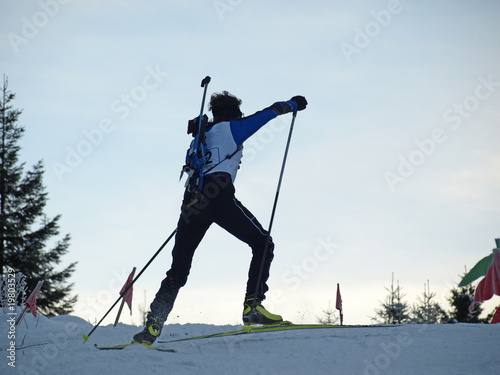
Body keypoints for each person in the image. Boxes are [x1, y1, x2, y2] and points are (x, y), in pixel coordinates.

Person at [133, 91, 307, 345]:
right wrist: (293, 104)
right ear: (234, 112)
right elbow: (269, 113)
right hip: (218, 195)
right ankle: (253, 307)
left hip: (191, 203)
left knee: (177, 272)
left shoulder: (199, 139)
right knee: (263, 244)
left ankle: (153, 326)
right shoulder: (232, 128)